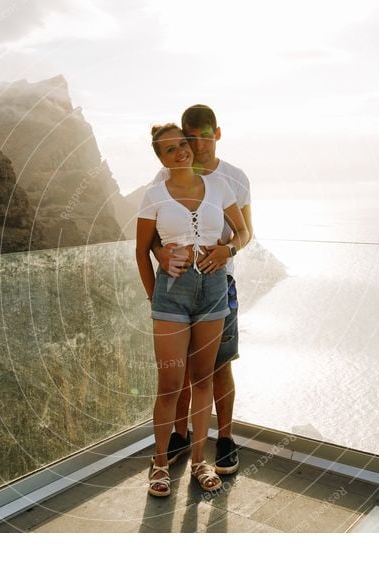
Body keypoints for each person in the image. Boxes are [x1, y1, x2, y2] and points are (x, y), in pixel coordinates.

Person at [136, 123, 249, 497]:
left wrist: (227, 250)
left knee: (203, 380)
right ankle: (161, 463)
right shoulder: (153, 194)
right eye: (169, 150)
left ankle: (199, 460)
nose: (180, 152)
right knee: (170, 384)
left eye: (182, 144)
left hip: (214, 289)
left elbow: (243, 232)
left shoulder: (220, 186)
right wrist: (156, 297)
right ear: (161, 159)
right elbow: (142, 249)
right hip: (172, 293)